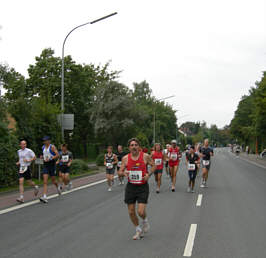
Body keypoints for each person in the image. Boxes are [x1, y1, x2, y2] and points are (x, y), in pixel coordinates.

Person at [118, 138, 156, 240]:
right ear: (129, 147)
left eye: (136, 145)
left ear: (139, 147)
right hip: (131, 186)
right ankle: (138, 229)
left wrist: (148, 174)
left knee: (140, 211)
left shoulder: (145, 156)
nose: (134, 147)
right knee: (131, 211)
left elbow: (153, 166)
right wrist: (123, 173)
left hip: (142, 186)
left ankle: (145, 220)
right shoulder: (125, 158)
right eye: (132, 145)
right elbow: (119, 172)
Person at [39, 136, 60, 203]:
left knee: (53, 180)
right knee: (45, 181)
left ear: (49, 141)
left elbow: (58, 155)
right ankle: (45, 196)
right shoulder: (43, 147)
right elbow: (44, 154)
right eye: (44, 141)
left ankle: (58, 187)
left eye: (46, 140)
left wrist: (51, 158)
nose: (45, 142)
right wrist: (42, 157)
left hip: (51, 165)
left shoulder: (52, 147)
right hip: (45, 165)